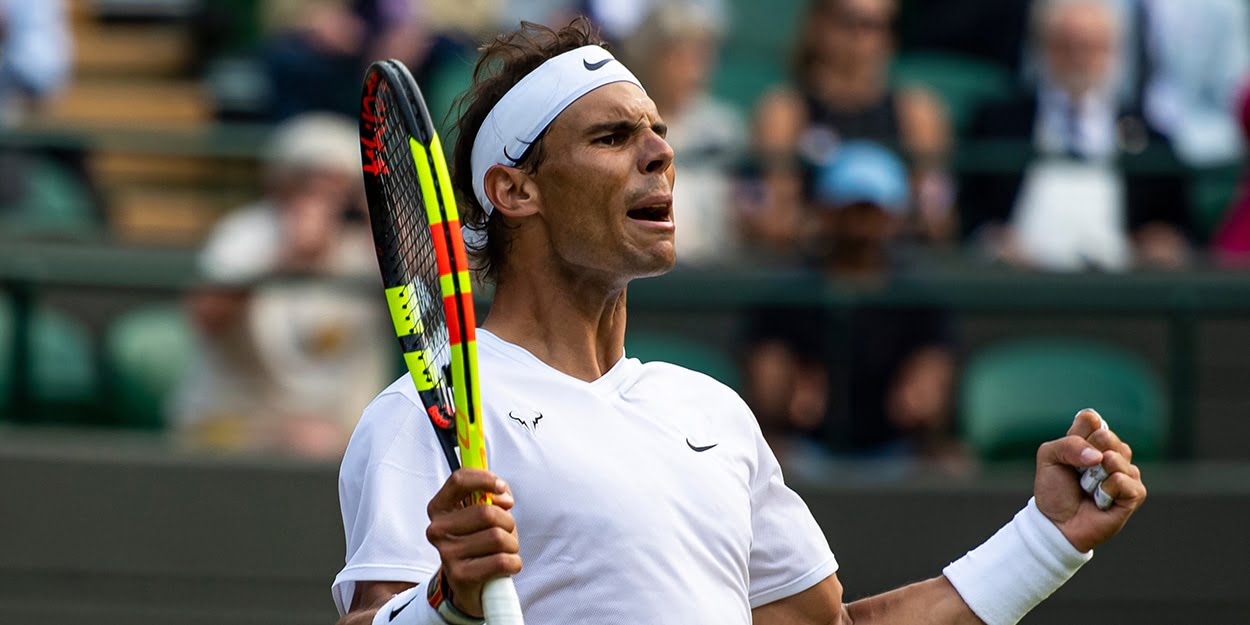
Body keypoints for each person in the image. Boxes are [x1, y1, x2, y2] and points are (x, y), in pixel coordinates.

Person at [334, 18, 1146, 625]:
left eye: (659, 131)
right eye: (614, 136)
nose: (659, 153)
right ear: (516, 191)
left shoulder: (711, 411)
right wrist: (448, 605)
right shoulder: (419, 414)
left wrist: (1045, 539)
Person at [171, 113, 391, 458]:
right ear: (280, 185)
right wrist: (285, 260)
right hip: (236, 422)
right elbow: (206, 316)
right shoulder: (244, 235)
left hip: (338, 432)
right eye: (308, 184)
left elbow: (435, 292)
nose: (322, 200)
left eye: (338, 187)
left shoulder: (372, 247)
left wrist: (374, 221)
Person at [742, 142, 961, 477]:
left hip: (897, 451)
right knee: (764, 461)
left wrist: (920, 400)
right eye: (850, 209)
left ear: (894, 215)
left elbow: (929, 396)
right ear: (826, 211)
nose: (861, 224)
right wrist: (786, 397)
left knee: (949, 467)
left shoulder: (922, 300)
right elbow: (769, 396)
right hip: (804, 451)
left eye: (872, 210)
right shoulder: (783, 298)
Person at [960, 0, 1193, 271]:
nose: (1079, 58)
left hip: (1120, 292)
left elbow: (1178, 229)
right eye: (1066, 45)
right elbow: (968, 213)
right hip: (1018, 285)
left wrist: (1159, 243)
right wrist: (991, 240)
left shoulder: (1151, 139)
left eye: (1092, 47)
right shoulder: (997, 126)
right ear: (1041, 48)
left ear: (1114, 52)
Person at [748, 0, 953, 249]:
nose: (861, 37)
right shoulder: (785, 111)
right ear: (819, 25)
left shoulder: (917, 112)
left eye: (875, 26)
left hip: (896, 263)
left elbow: (938, 220)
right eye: (849, 23)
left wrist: (873, 226)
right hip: (809, 265)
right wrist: (841, 227)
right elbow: (774, 220)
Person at [619, 2, 744, 265]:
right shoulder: (624, 127)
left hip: (714, 269)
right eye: (678, 56)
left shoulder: (725, 128)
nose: (692, 69)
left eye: (699, 56)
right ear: (649, 57)